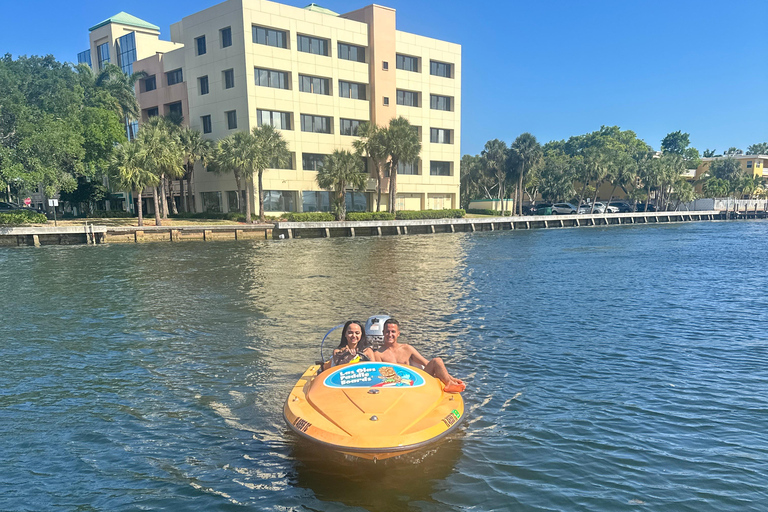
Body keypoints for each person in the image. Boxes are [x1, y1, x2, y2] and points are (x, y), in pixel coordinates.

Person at [373, 318, 465, 393]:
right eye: (387, 332)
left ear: (398, 334)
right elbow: (379, 377)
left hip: (416, 382)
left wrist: (451, 378)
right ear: (383, 332)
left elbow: (426, 363)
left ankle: (449, 383)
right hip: (394, 386)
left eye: (393, 332)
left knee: (437, 361)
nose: (390, 335)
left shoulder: (407, 348)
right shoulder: (378, 354)